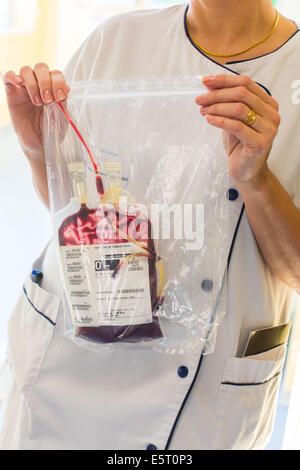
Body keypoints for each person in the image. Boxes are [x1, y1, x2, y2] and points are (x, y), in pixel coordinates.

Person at [1, 0, 300, 450]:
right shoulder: (113, 41)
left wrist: (256, 181)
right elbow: (73, 216)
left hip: (198, 405)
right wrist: (36, 148)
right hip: (64, 376)